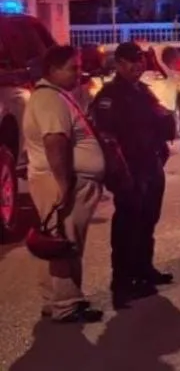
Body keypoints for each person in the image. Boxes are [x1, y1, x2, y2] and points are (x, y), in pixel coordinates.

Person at [23, 45, 107, 323]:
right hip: (61, 181)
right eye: (73, 67)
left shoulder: (55, 96)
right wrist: (64, 185)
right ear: (53, 70)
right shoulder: (49, 99)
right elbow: (55, 142)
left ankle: (55, 300)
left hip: (61, 180)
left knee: (57, 241)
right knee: (65, 244)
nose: (78, 72)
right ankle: (67, 305)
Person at [90, 42, 176, 308]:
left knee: (148, 221)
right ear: (118, 64)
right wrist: (119, 172)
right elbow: (105, 137)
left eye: (140, 61)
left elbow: (163, 122)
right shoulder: (109, 96)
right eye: (130, 61)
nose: (137, 66)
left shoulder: (143, 92)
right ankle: (122, 284)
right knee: (127, 227)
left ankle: (143, 270)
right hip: (128, 170)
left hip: (150, 165)